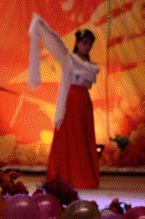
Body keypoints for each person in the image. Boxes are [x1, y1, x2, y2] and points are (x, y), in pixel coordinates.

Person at [28, 13, 100, 189]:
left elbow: (89, 83)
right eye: (84, 43)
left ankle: (82, 175)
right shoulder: (69, 59)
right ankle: (67, 176)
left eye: (89, 44)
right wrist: (41, 27)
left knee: (83, 138)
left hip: (83, 101)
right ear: (77, 43)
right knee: (70, 137)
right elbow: (56, 43)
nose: (86, 46)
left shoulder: (91, 67)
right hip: (71, 100)